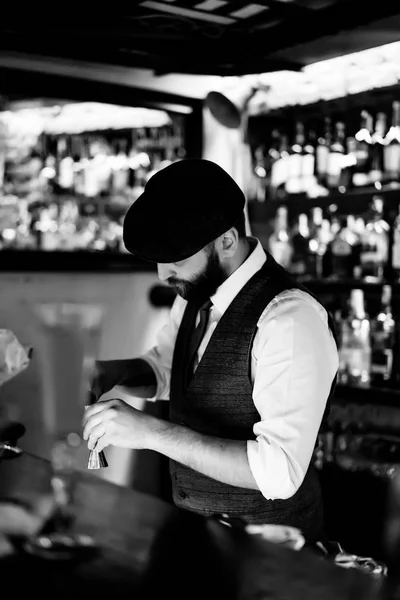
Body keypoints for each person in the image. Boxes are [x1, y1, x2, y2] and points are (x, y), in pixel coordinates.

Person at [82, 158, 339, 543]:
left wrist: (151, 432)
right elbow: (170, 371)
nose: (162, 275)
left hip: (272, 553)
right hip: (197, 539)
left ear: (228, 241)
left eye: (177, 260)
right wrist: (109, 374)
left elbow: (279, 471)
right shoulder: (194, 294)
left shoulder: (289, 320)